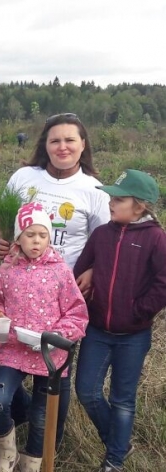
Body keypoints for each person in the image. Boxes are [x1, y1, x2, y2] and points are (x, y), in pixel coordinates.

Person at [0, 112, 110, 443]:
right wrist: (0, 237)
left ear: (83, 145)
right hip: (17, 292)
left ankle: (49, 440)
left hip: (61, 296)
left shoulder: (94, 190)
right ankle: (25, 412)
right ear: (45, 144)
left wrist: (94, 270)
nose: (62, 146)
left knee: (56, 370)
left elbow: (106, 242)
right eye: (55, 140)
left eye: (70, 139)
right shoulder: (25, 177)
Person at [74, 170, 166, 472]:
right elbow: (81, 268)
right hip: (98, 330)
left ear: (139, 206)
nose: (111, 203)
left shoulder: (155, 238)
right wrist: (90, 274)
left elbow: (163, 282)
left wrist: (138, 311)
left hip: (134, 335)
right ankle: (118, 442)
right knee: (87, 391)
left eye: (119, 198)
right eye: (111, 197)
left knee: (123, 400)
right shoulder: (102, 234)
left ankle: (114, 460)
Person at [0, 202, 88, 472]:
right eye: (30, 234)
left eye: (43, 235)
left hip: (49, 355)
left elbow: (77, 314)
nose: (37, 241)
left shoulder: (60, 271)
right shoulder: (8, 269)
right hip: (13, 349)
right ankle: (8, 454)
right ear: (18, 237)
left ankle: (32, 463)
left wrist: (57, 335)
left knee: (41, 416)